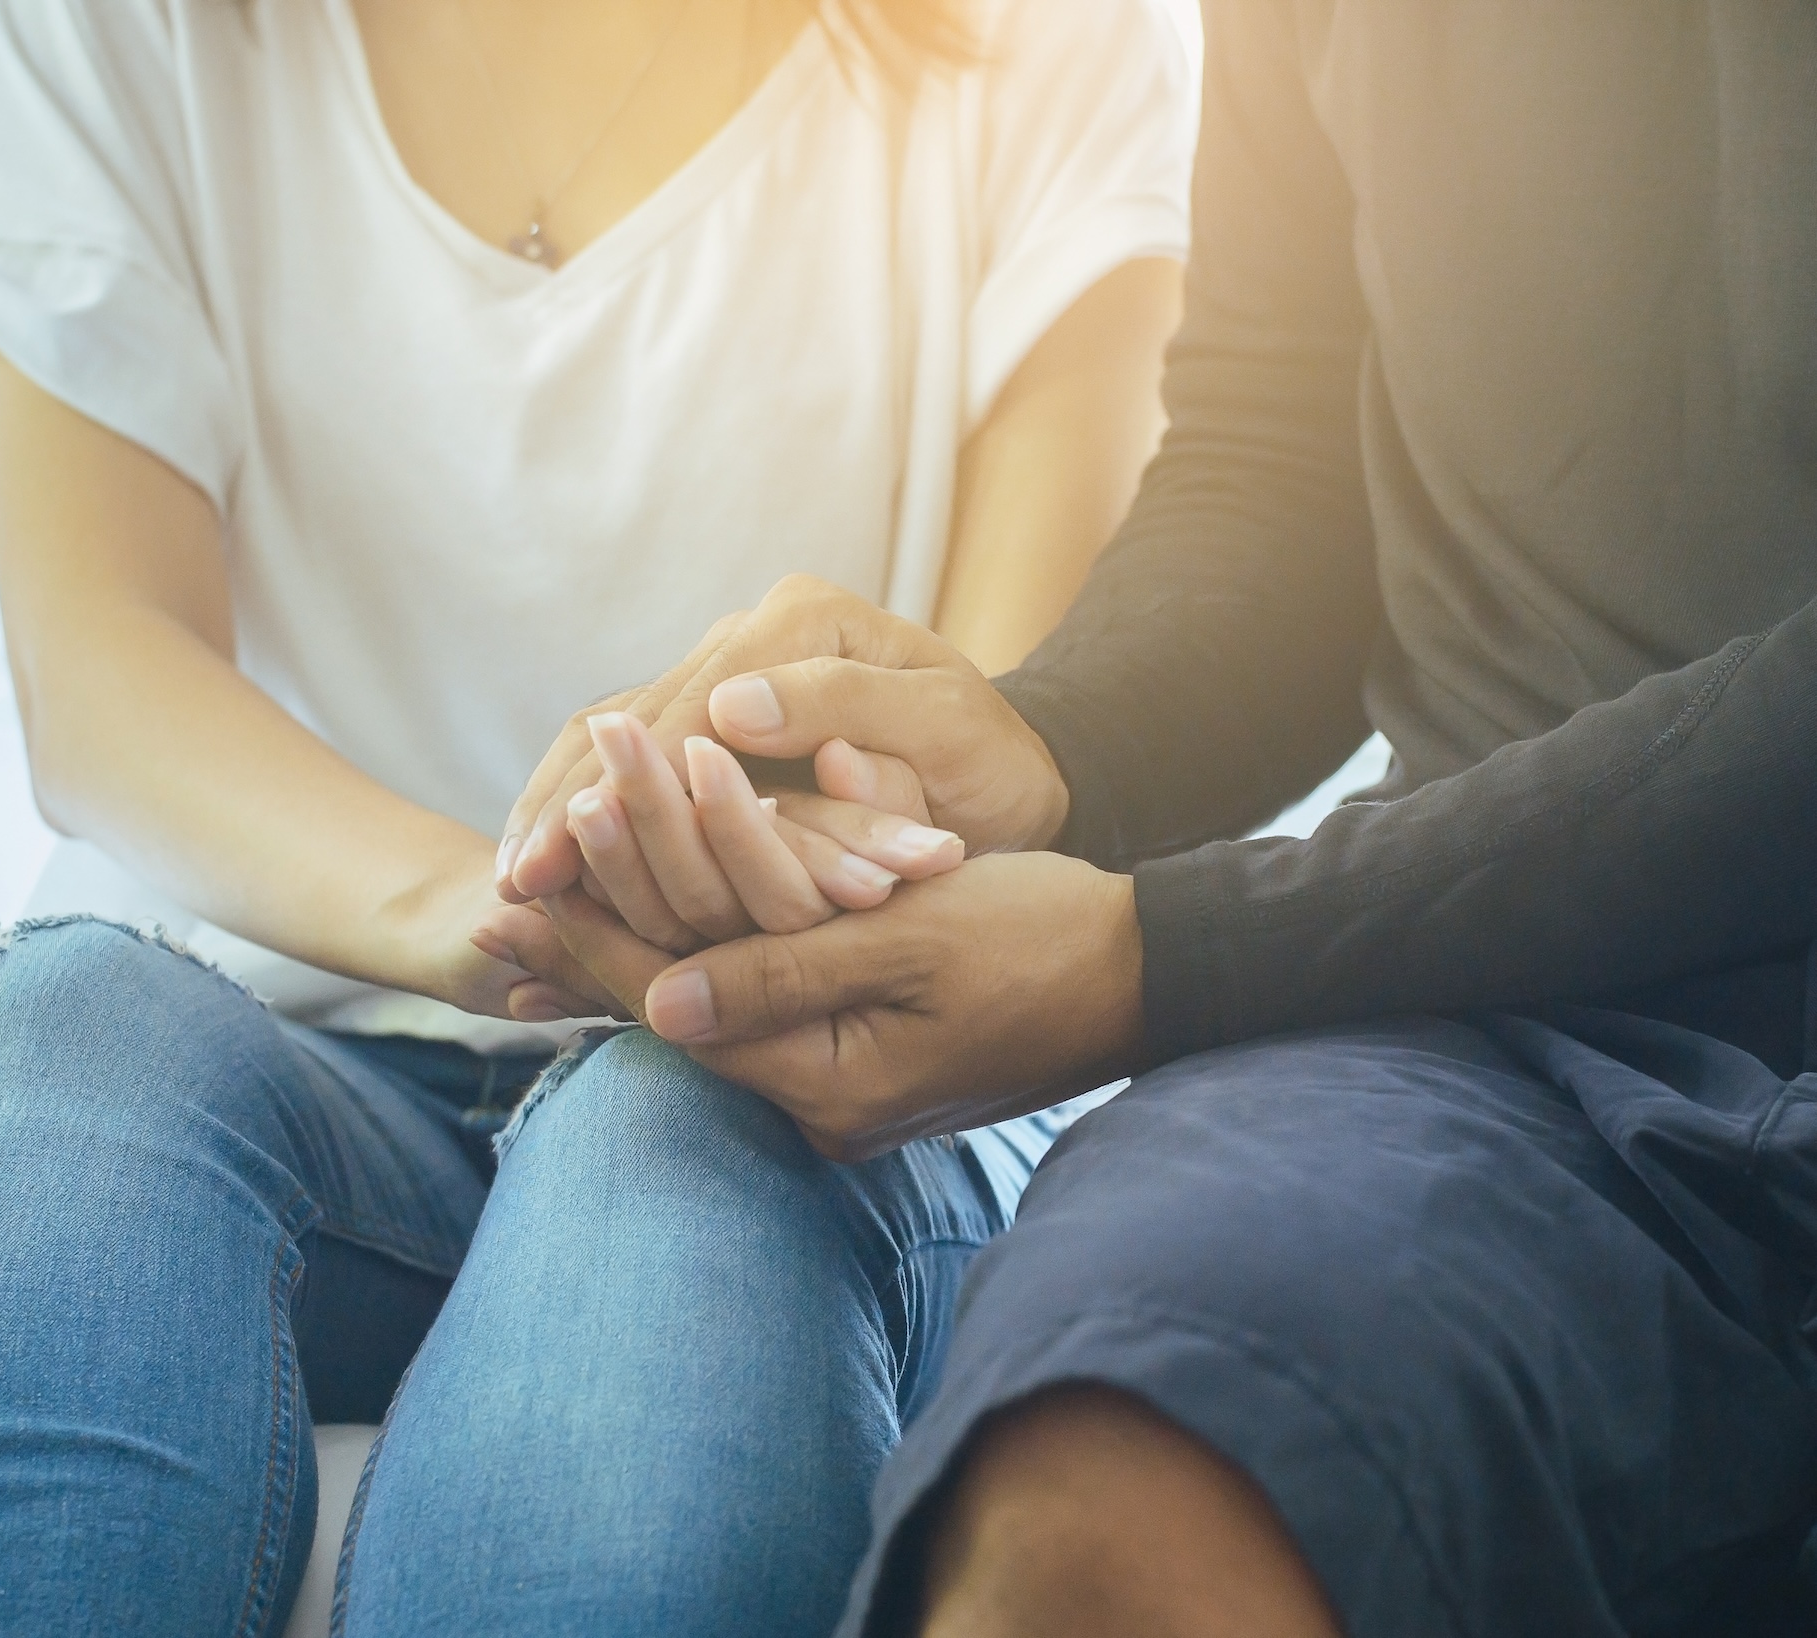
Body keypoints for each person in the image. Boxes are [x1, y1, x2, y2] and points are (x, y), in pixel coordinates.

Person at [0, 0, 1202, 1632]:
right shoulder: (126, 27)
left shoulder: (1043, 38)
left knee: (666, 1121)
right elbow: (99, 673)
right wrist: (497, 909)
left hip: (769, 1046)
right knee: (58, 1023)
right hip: (270, 1028)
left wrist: (728, 908)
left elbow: (1011, 720)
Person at [490, 4, 1817, 1634]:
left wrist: (1161, 951)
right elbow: (1283, 462)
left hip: (1442, 940)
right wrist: (1036, 751)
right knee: (1095, 1495)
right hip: (1489, 1037)